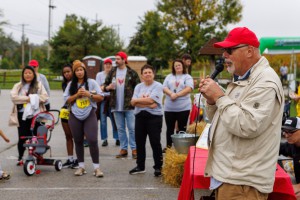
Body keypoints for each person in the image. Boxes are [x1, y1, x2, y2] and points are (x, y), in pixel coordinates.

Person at [199, 27, 284, 199]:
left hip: (243, 184)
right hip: (232, 178)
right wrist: (211, 100)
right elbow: (222, 117)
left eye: (229, 50)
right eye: (224, 50)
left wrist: (220, 97)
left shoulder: (265, 82)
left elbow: (247, 125)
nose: (224, 55)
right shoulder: (245, 77)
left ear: (249, 51)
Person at [63, 60, 104, 177]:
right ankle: (81, 167)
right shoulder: (71, 84)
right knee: (78, 140)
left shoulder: (92, 82)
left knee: (92, 139)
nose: (79, 72)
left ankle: (97, 168)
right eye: (77, 70)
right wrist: (76, 95)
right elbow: (66, 100)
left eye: (81, 70)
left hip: (89, 113)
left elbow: (101, 97)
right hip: (74, 115)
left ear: (84, 71)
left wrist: (88, 94)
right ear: (74, 72)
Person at [103, 51, 140, 159]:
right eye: (116, 59)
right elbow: (105, 85)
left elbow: (138, 88)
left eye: (118, 59)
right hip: (115, 105)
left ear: (124, 60)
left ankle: (134, 149)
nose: (116, 61)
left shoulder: (132, 72)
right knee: (120, 128)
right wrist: (107, 87)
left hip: (129, 106)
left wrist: (136, 100)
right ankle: (123, 149)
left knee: (132, 128)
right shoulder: (112, 72)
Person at [129, 64, 163, 177]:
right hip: (140, 117)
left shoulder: (158, 86)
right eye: (145, 73)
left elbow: (153, 102)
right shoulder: (138, 87)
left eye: (150, 72)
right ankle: (140, 166)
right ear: (142, 75)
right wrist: (147, 102)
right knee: (139, 142)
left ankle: (158, 167)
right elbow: (133, 102)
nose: (147, 74)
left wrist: (139, 102)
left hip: (154, 118)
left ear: (153, 74)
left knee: (155, 142)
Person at [10, 66, 48, 165]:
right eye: (26, 73)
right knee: (22, 136)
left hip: (37, 114)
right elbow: (14, 97)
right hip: (22, 115)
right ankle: (20, 157)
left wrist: (33, 98)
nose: (27, 75)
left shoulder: (39, 85)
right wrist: (29, 99)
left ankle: (38, 156)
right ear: (22, 74)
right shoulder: (18, 85)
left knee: (37, 136)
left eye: (30, 73)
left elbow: (45, 97)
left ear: (33, 74)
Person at [162, 59, 194, 152]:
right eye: (176, 65)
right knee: (169, 128)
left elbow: (189, 88)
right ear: (173, 67)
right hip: (169, 108)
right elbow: (164, 87)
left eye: (179, 65)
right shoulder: (169, 76)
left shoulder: (187, 77)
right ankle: (168, 147)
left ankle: (180, 146)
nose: (177, 67)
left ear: (183, 66)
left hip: (183, 107)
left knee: (182, 127)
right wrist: (171, 93)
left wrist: (176, 95)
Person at [95, 58, 120, 147]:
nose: (108, 65)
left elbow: (116, 86)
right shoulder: (99, 75)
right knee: (103, 120)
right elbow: (98, 87)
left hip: (112, 99)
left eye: (109, 64)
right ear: (104, 65)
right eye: (106, 64)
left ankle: (117, 138)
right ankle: (104, 139)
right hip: (103, 99)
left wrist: (105, 87)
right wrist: (106, 87)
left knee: (114, 120)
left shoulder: (115, 74)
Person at [60, 64, 78, 168]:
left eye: (68, 71)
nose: (67, 74)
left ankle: (77, 160)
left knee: (76, 136)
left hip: (75, 110)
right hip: (65, 110)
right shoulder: (64, 84)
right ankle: (70, 159)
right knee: (68, 136)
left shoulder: (77, 83)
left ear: (73, 71)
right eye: (64, 72)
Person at [280, 117, 300, 197]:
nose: (286, 135)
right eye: (284, 132)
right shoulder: (292, 145)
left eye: (290, 132)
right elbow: (275, 148)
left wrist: (298, 187)